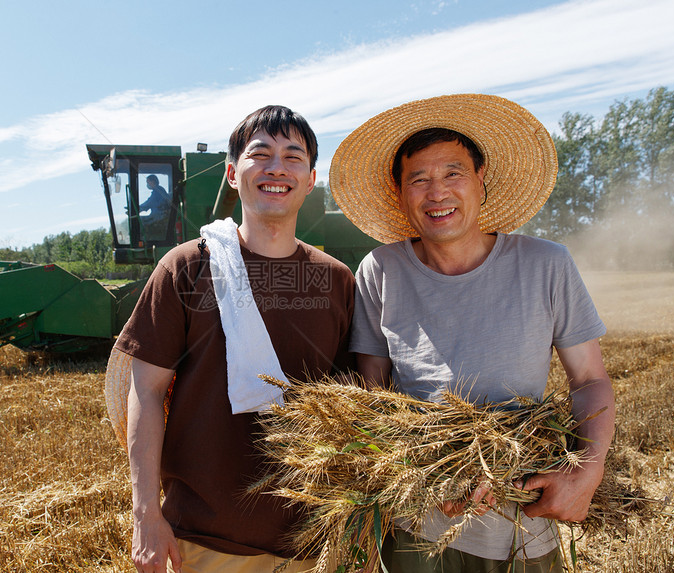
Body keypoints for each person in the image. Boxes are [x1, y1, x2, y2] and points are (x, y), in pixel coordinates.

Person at [329, 94, 615, 572]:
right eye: (418, 179)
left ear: (482, 181)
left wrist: (588, 470)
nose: (436, 192)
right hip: (418, 530)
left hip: (523, 526)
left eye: (452, 174)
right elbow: (372, 396)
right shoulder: (381, 270)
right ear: (400, 193)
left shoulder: (546, 265)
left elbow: (589, 380)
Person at [106, 105, 355, 572]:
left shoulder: (338, 281)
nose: (276, 167)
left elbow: (354, 406)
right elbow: (145, 390)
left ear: (311, 178)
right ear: (232, 174)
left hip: (313, 542)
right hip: (202, 541)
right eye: (259, 154)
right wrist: (145, 514)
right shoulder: (186, 268)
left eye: (292, 157)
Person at [138, 174, 171, 239]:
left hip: (159, 217)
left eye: (148, 182)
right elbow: (149, 203)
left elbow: (149, 203)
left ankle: (144, 240)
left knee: (139, 220)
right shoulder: (159, 190)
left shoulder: (158, 191)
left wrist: (136, 208)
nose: (147, 184)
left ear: (153, 181)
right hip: (158, 216)